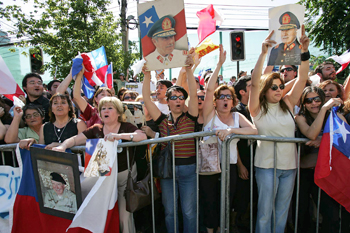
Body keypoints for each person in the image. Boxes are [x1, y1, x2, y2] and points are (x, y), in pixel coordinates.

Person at [248, 26, 309, 233]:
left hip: (289, 166)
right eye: (273, 87)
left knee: (282, 211)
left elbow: (302, 79)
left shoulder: (289, 104)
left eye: (280, 86)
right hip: (265, 167)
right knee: (265, 211)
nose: (278, 90)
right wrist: (264, 53)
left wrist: (304, 53)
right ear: (266, 90)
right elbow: (255, 84)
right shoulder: (257, 109)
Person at [53, 96, 146, 232]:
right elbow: (74, 140)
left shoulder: (126, 127)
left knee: (124, 217)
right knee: (101, 215)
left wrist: (119, 136)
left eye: (110, 108)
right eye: (103, 108)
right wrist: (62, 146)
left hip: (123, 178)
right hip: (101, 178)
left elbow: (141, 136)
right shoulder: (96, 129)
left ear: (119, 113)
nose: (105, 111)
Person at [201, 45, 258, 233]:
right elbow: (209, 90)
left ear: (233, 102)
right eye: (221, 96)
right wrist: (219, 64)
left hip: (230, 165)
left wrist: (232, 130)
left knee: (226, 201)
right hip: (210, 166)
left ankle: (223, 229)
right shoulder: (210, 115)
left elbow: (253, 131)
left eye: (228, 97)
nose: (225, 99)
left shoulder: (237, 117)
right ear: (216, 101)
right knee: (210, 202)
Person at [142, 49, 198, 233]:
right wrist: (147, 75)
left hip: (189, 169)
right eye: (174, 97)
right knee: (170, 212)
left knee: (189, 212)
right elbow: (147, 101)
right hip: (167, 171)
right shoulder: (162, 119)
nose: (178, 100)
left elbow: (194, 93)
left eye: (182, 97)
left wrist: (188, 70)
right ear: (167, 101)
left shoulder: (191, 117)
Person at [295, 86, 350, 233]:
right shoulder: (300, 117)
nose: (314, 103)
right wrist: (324, 110)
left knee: (330, 214)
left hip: (327, 173)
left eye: (317, 99)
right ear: (303, 103)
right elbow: (311, 134)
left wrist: (324, 140)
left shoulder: (335, 116)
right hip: (305, 173)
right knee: (302, 213)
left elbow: (346, 137)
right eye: (309, 100)